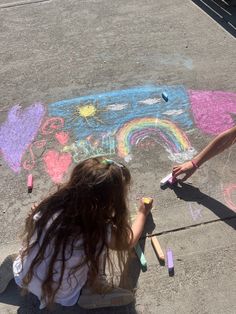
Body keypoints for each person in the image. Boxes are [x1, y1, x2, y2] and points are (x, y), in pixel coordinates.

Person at [0, 157, 152, 309]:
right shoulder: (99, 229)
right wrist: (142, 213)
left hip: (24, 274)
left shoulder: (51, 205)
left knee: (47, 244)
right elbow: (128, 241)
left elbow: (35, 217)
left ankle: (13, 265)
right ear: (112, 201)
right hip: (61, 294)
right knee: (98, 247)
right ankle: (92, 288)